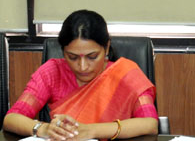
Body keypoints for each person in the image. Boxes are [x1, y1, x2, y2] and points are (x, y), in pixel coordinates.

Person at [3, 10, 157, 140]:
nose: (82, 67)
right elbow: (11, 119)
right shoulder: (52, 72)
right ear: (63, 51)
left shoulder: (126, 73)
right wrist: (42, 129)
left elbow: (150, 123)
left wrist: (91, 131)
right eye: (73, 57)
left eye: (92, 57)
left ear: (106, 47)